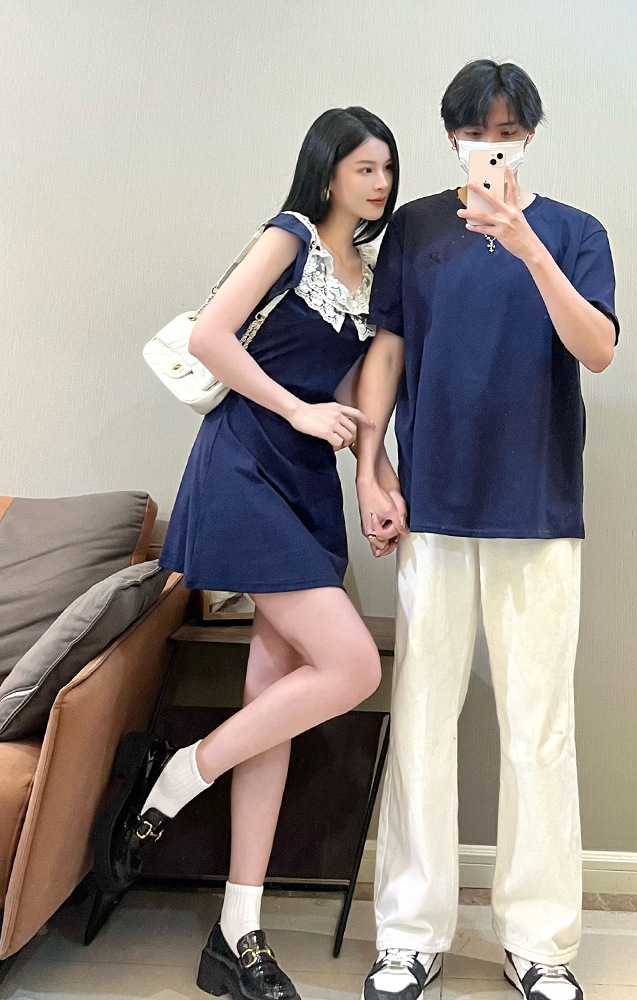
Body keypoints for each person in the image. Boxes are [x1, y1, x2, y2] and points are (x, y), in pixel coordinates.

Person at [94, 106, 400, 1000]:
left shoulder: (369, 276)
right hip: (244, 463)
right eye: (364, 168)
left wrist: (375, 481)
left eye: (387, 169)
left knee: (275, 702)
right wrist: (298, 409)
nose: (380, 184)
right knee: (351, 667)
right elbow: (209, 337)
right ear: (328, 171)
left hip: (304, 481)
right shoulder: (289, 236)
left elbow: (357, 398)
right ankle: (178, 775)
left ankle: (237, 933)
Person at [355, 61, 619, 1000]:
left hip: (538, 506)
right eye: (475, 131)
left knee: (539, 729)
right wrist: (370, 469)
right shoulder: (416, 229)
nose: (490, 146)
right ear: (452, 136)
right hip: (433, 503)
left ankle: (539, 941)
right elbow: (387, 348)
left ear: (530, 137)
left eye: (506, 132)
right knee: (422, 720)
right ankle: (408, 934)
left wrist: (526, 244)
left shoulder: (576, 232)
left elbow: (597, 349)